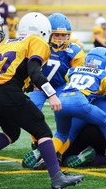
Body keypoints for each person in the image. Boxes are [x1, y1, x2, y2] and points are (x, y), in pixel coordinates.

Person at [0, 11, 84, 188]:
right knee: (43, 131)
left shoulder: (6, 43)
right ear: (43, 31)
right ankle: (57, 178)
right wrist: (52, 94)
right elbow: (34, 72)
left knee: (12, 132)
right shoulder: (36, 41)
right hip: (8, 90)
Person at [25, 47, 106, 170]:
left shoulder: (73, 70)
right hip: (82, 105)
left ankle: (47, 154)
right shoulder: (105, 75)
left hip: (62, 101)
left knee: (63, 134)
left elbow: (69, 80)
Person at [28, 12, 85, 149]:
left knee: (65, 109)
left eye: (63, 35)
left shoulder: (74, 50)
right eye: (56, 35)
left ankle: (63, 140)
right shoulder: (40, 45)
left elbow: (76, 75)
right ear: (48, 33)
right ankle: (37, 141)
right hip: (39, 85)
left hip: (61, 86)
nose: (60, 38)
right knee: (31, 110)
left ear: (68, 35)